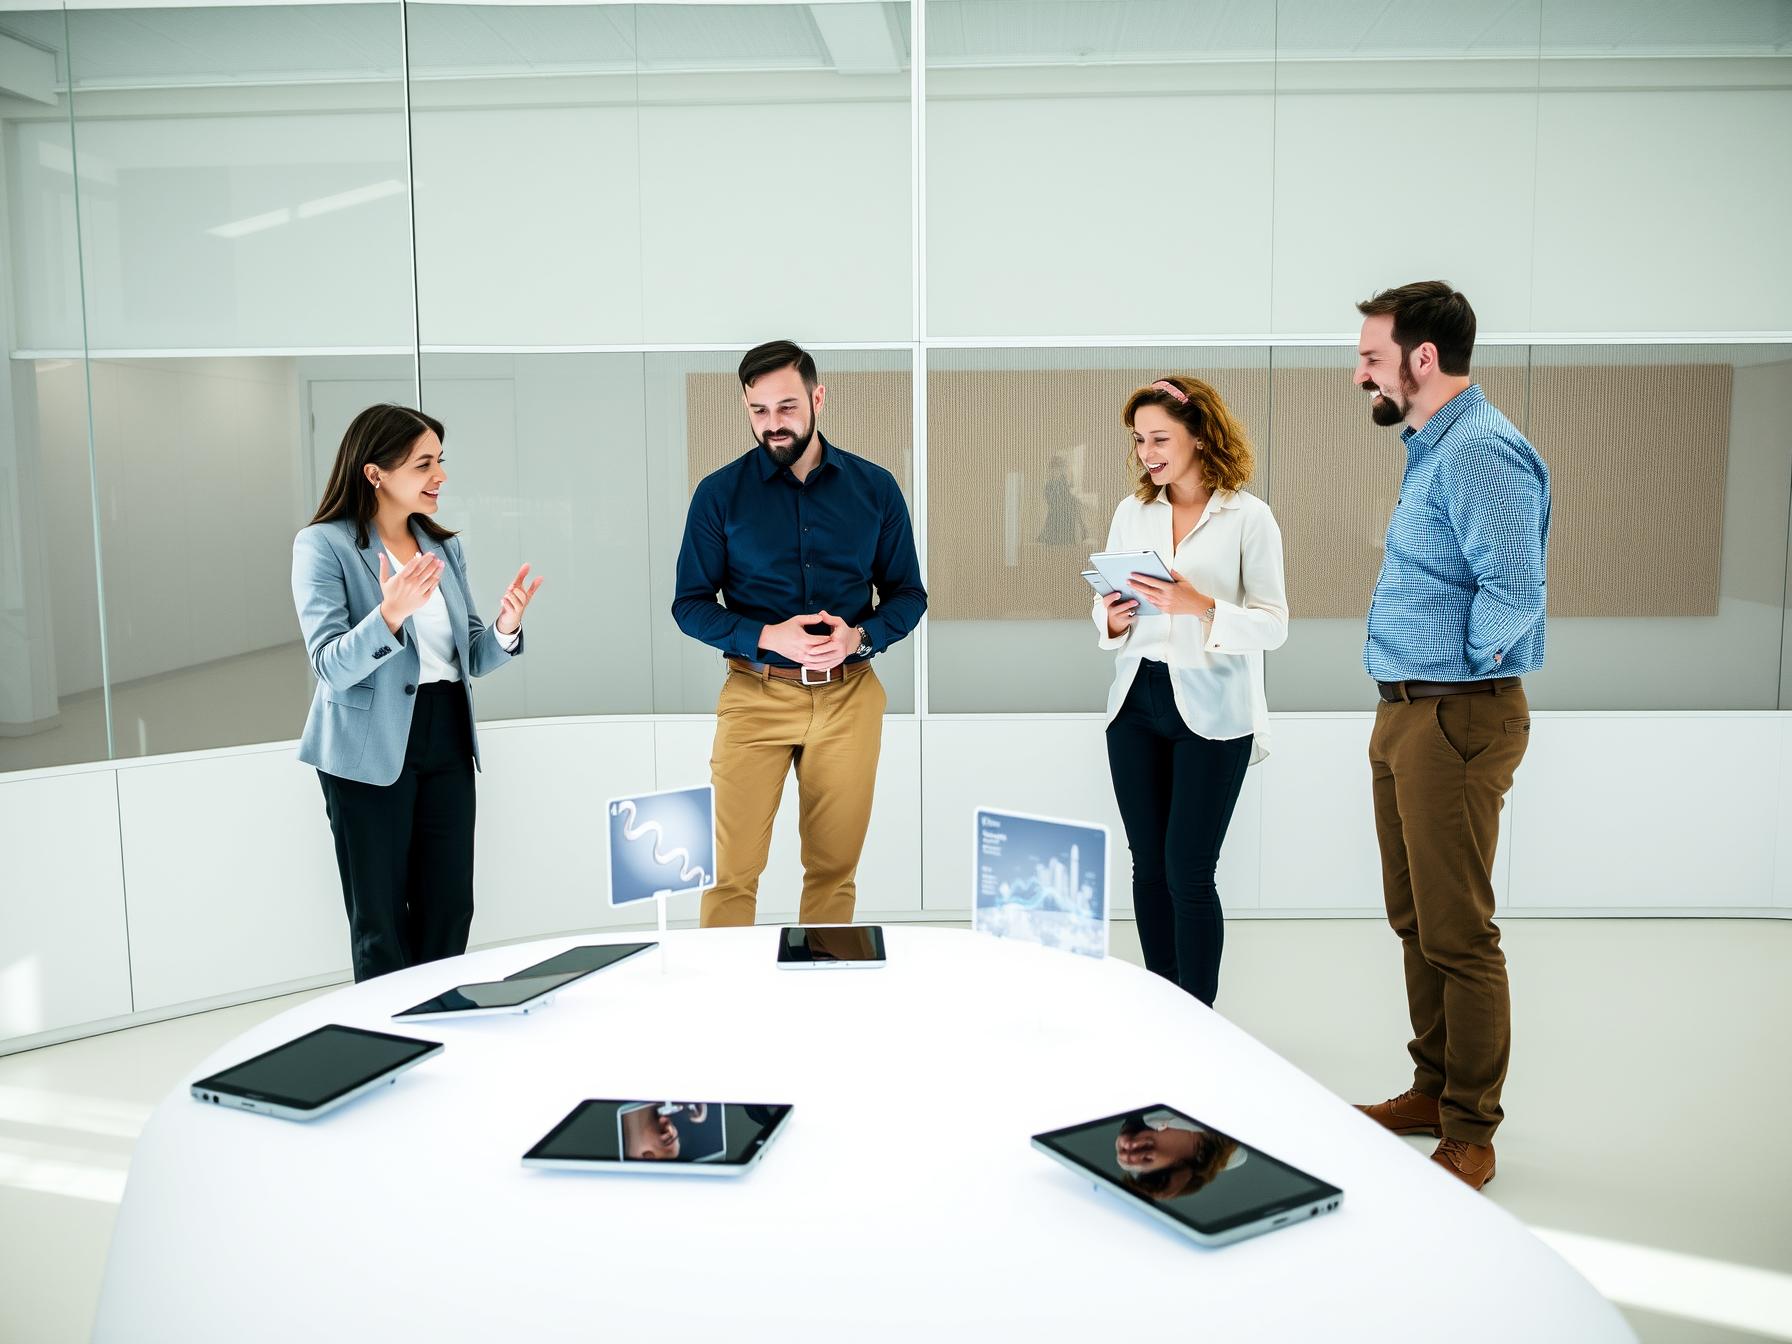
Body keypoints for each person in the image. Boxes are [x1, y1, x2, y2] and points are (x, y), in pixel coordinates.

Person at [1349, 282, 1550, 1192]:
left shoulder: (1479, 451)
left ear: (1422, 359)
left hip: (1453, 712)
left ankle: (1471, 1126)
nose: (1362, 374)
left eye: (1372, 358)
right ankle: (1432, 1091)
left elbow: (1516, 589)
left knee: (1459, 931)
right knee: (1415, 919)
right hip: (1406, 711)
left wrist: (1459, 671)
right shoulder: (1432, 447)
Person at [672, 340, 926, 928]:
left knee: (834, 870)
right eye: (758, 410)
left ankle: (824, 980)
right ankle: (726, 983)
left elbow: (909, 595)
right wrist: (767, 635)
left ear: (818, 398)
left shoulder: (876, 488)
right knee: (730, 874)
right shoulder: (718, 494)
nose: (773, 424)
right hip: (754, 695)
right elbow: (689, 606)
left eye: (786, 407)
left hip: (850, 697)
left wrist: (859, 637)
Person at [292, 404, 541, 982]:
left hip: (445, 731)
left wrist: (505, 628)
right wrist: (389, 615)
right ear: (375, 473)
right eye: (424, 464)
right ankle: (386, 1028)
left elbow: (470, 654)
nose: (440, 476)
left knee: (449, 905)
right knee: (380, 921)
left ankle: (440, 1014)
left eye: (439, 462)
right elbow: (330, 666)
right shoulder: (323, 545)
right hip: (366, 746)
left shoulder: (441, 546)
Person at [1095, 376, 1288, 1008]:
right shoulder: (1133, 512)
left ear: (1200, 436)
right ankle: (1163, 1009)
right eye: (1139, 440)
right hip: (1137, 701)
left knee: (1189, 872)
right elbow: (1108, 609)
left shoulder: (1248, 516)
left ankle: (1199, 1020)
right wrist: (1112, 618)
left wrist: (1198, 605)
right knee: (1148, 867)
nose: (1146, 452)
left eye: (1159, 438)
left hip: (1215, 708)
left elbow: (1273, 625)